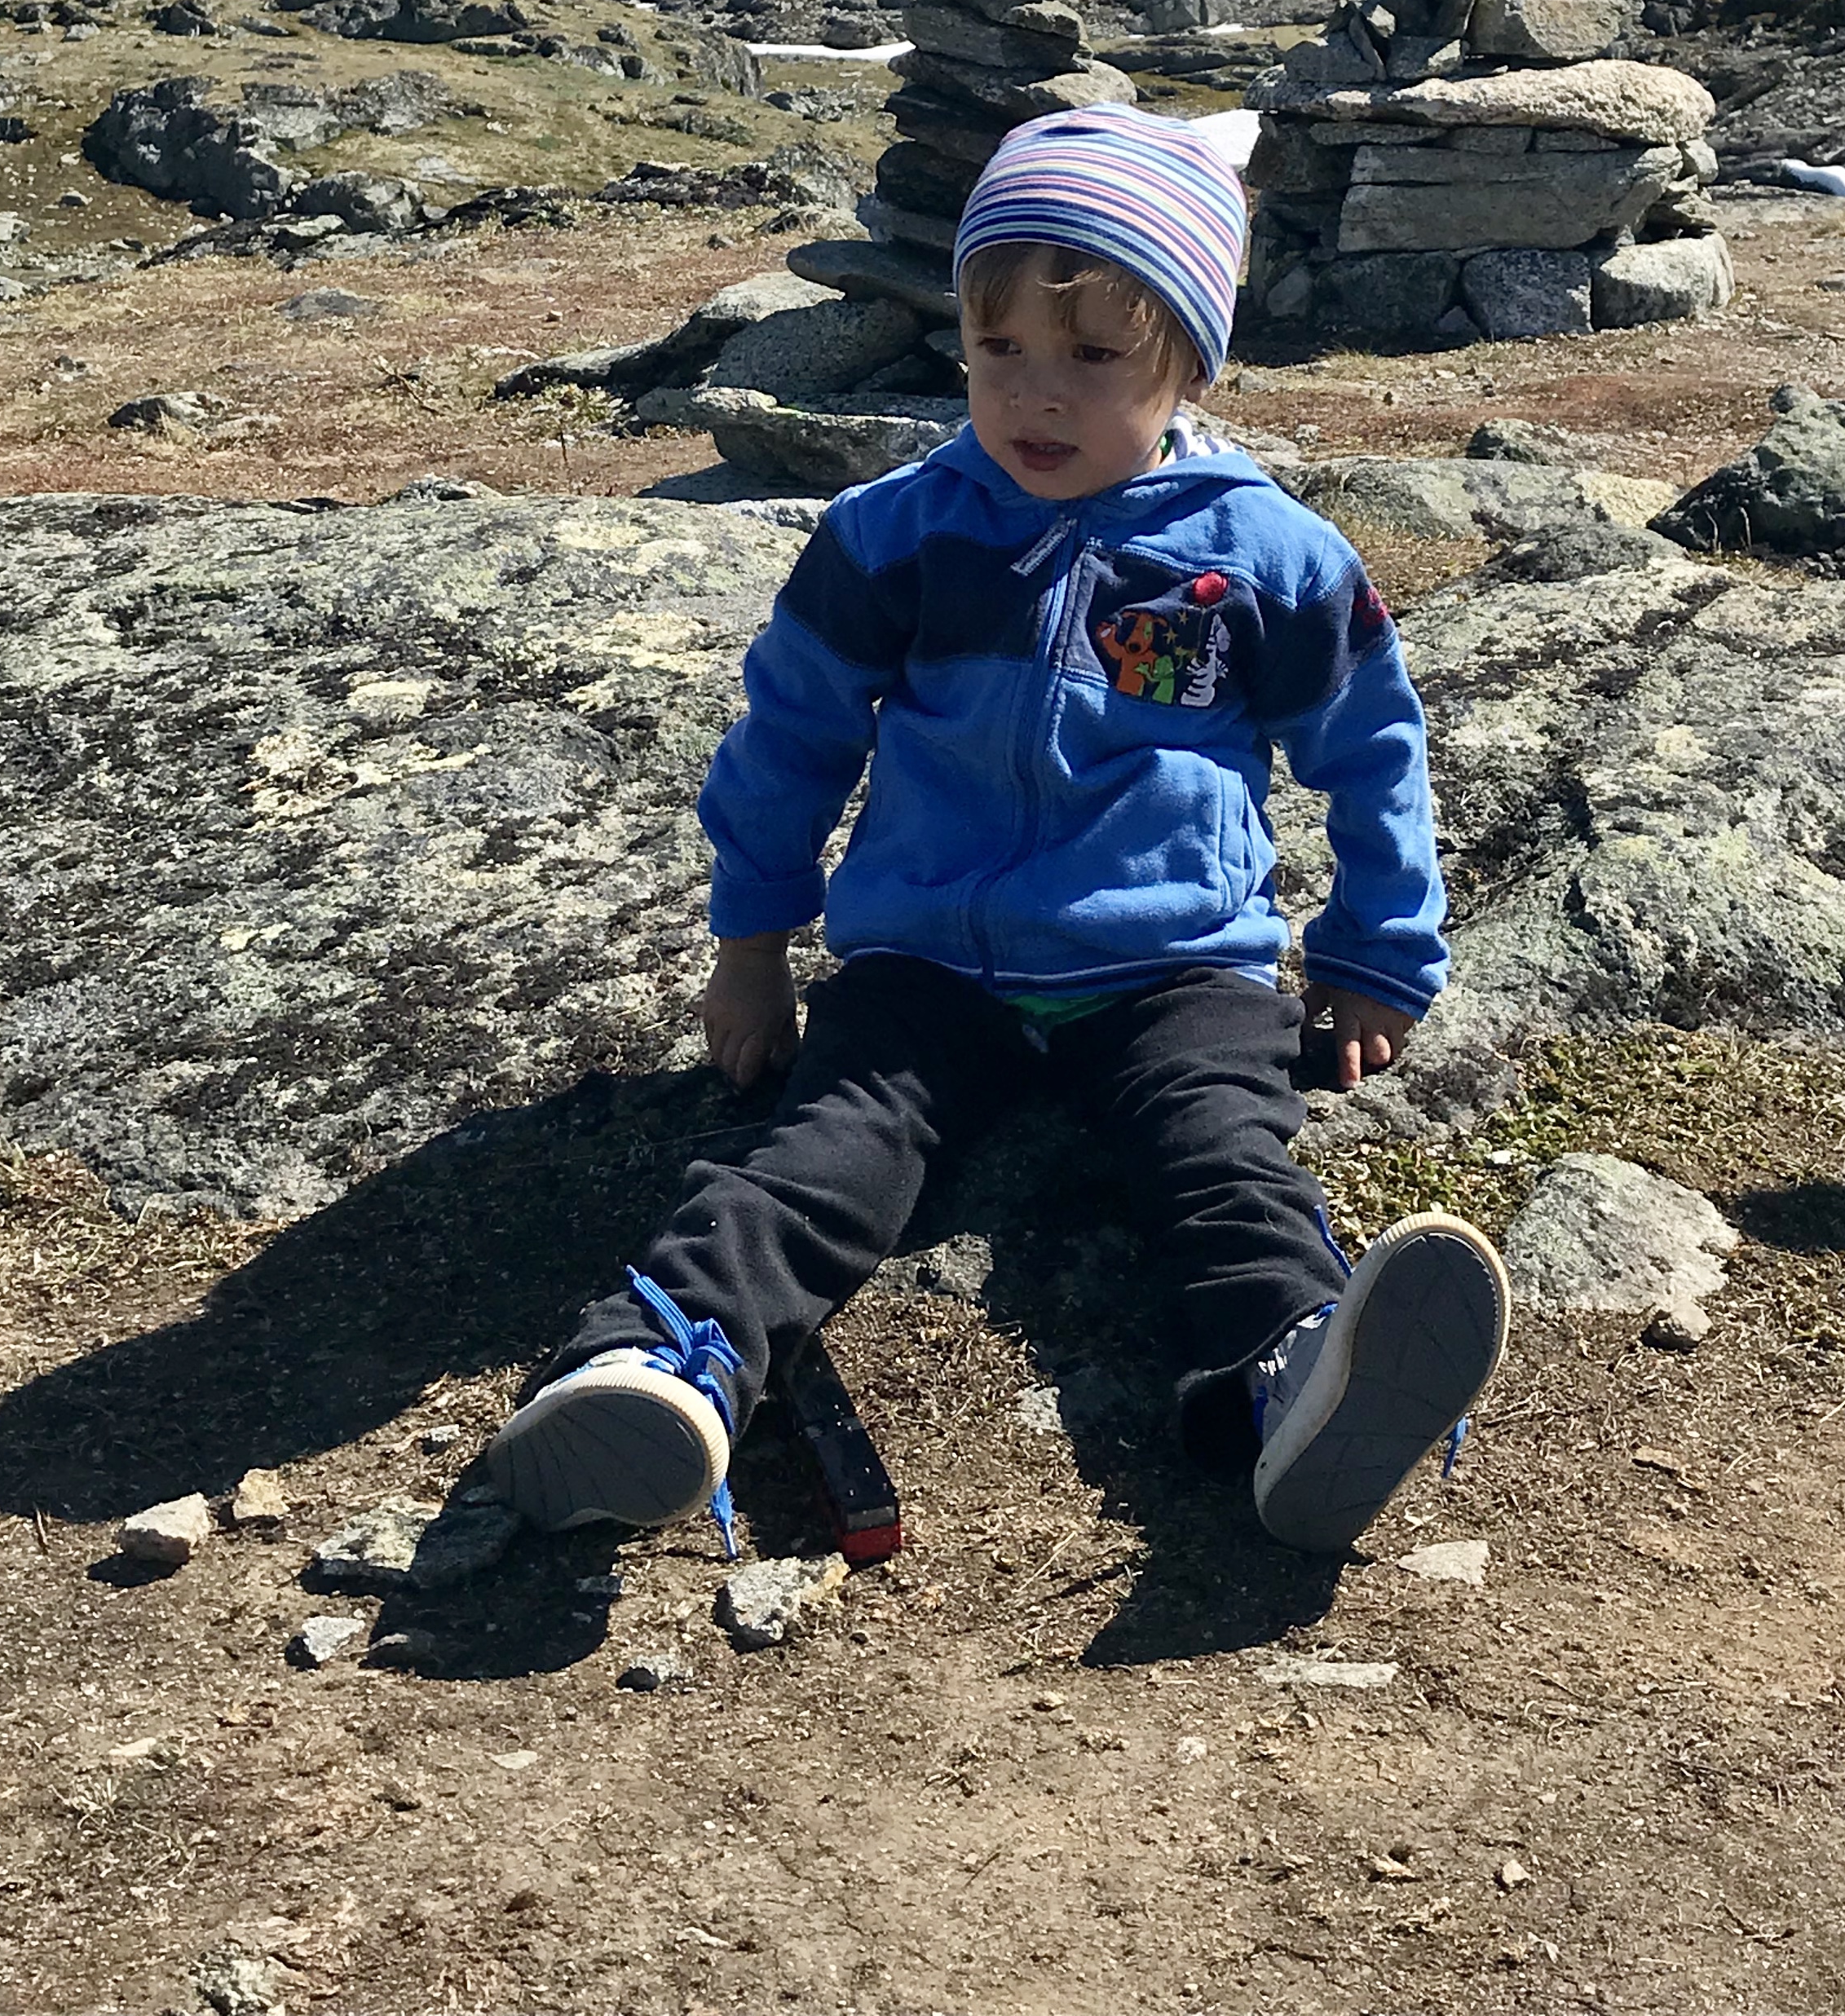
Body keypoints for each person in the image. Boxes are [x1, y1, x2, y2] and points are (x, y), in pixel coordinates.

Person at [487, 108, 1508, 1558]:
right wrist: (752, 948)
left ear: (1191, 364)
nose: (1036, 394)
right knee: (820, 1155)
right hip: (927, 966)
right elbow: (790, 742)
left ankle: (1299, 1377)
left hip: (1174, 966)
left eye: (1092, 357)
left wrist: (1376, 957)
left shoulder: (1269, 558)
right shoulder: (891, 536)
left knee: (1223, 1156)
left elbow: (1374, 754)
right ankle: (663, 1367)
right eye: (998, 347)